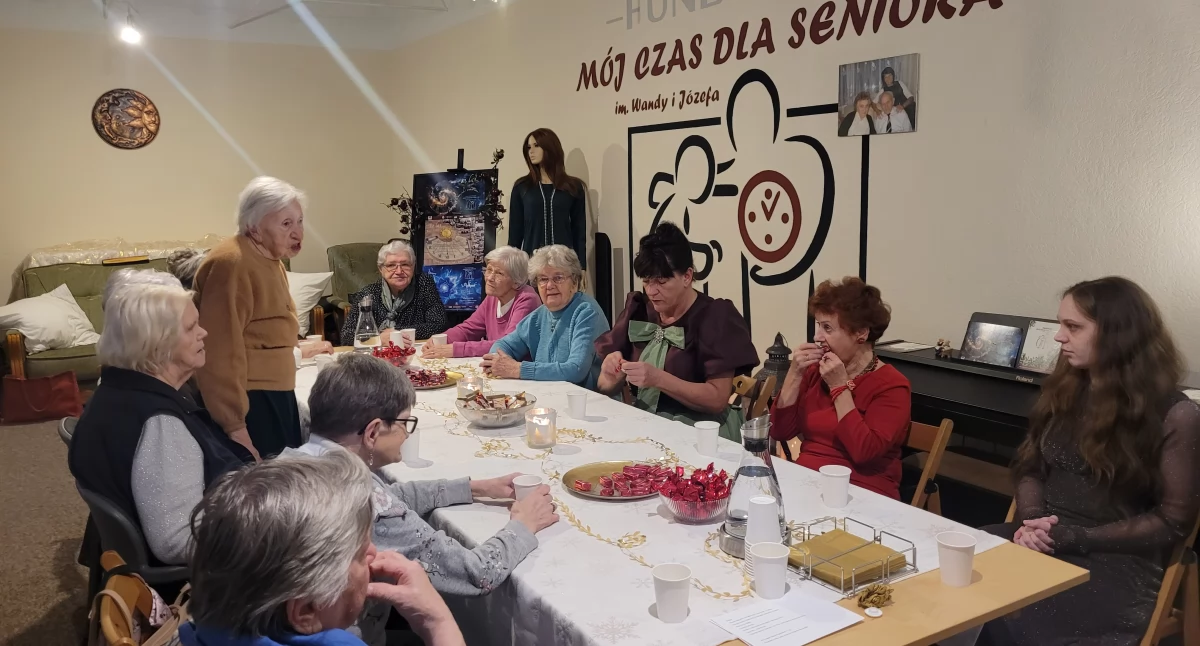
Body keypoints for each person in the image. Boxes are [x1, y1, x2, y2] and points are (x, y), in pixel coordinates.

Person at [978, 277, 1200, 646]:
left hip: (1114, 556)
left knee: (1025, 622)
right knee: (952, 574)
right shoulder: (1066, 388)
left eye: (1073, 327)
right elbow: (1031, 467)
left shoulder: (1176, 414)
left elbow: (1173, 521)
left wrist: (1075, 537)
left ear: (1118, 334)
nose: (1058, 337)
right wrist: (1032, 520)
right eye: (1061, 324)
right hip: (1045, 537)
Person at [287, 353, 558, 645]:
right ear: (373, 432)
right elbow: (476, 572)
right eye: (405, 423)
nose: (407, 434)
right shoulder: (362, 500)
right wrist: (524, 524)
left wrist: (474, 488)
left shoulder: (297, 464)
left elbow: (392, 496)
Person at [180, 451, 465, 646]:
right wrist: (436, 621)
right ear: (306, 611)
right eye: (359, 554)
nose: (373, 553)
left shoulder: (206, 627)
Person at [69, 282, 247, 570]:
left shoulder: (113, 389)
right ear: (157, 343)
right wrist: (269, 527)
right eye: (191, 327)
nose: (203, 332)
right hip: (211, 576)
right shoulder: (160, 424)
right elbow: (176, 541)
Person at [194, 176, 331, 462]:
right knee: (269, 481)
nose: (297, 232)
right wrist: (234, 425)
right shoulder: (232, 263)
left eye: (300, 221)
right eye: (286, 223)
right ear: (254, 227)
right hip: (252, 400)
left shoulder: (268, 257)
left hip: (276, 391)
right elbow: (217, 350)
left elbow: (267, 330)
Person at [594, 222, 758, 439]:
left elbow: (717, 399)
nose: (652, 291)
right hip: (646, 425)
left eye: (661, 281)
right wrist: (609, 376)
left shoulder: (714, 317)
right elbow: (605, 387)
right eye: (646, 281)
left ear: (687, 276)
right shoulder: (639, 310)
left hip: (702, 431)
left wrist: (658, 379)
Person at [769, 277, 912, 499]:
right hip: (807, 481)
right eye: (818, 325)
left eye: (827, 328)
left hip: (862, 490)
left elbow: (864, 452)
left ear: (861, 333)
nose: (817, 337)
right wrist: (795, 373)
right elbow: (779, 431)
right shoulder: (816, 371)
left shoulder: (892, 386)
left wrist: (839, 387)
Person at [483, 245, 609, 388]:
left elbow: (576, 370)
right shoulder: (540, 314)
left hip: (584, 398)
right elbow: (503, 345)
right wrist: (497, 361)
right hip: (548, 394)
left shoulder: (586, 312)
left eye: (558, 278)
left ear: (574, 282)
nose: (549, 285)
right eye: (543, 279)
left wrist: (518, 369)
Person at [421, 246, 540, 359]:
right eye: (489, 270)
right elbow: (469, 328)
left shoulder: (527, 299)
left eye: (499, 273)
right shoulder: (494, 296)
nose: (489, 278)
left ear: (516, 281)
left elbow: (507, 345)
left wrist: (456, 349)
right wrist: (441, 339)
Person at [507, 128, 588, 269]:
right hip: (532, 266)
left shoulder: (572, 187)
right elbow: (515, 233)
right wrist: (511, 269)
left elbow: (579, 231)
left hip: (564, 265)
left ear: (550, 147)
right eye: (528, 147)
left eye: (536, 146)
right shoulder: (522, 187)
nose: (531, 151)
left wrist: (582, 267)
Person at [341, 240, 447, 345]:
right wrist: (378, 339)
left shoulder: (424, 284)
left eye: (405, 264)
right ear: (381, 269)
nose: (399, 271)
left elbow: (439, 325)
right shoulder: (368, 294)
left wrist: (395, 332)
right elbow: (346, 335)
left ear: (413, 266)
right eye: (391, 265)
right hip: (379, 352)